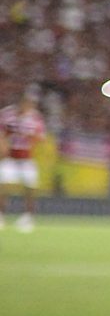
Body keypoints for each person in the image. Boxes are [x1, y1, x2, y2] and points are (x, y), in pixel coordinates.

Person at [1, 87, 45, 232]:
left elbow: (40, 137)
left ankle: (28, 217)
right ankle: (1, 215)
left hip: (26, 157)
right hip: (10, 157)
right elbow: (2, 134)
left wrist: (29, 136)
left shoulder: (35, 118)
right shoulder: (8, 115)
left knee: (30, 188)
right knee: (4, 186)